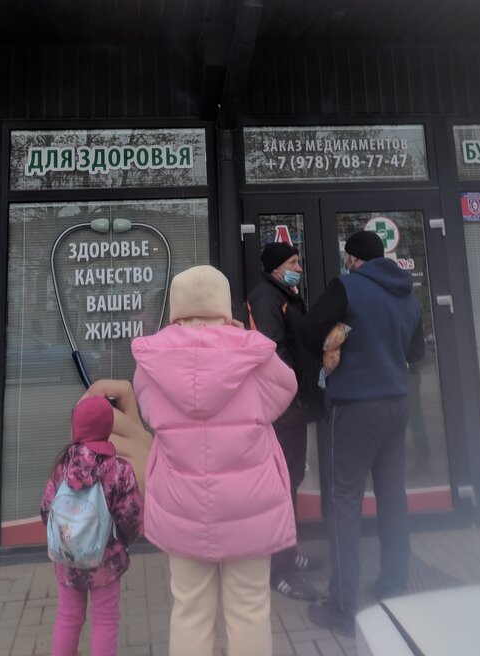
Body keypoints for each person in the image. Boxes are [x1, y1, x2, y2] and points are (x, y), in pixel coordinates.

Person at [132, 264, 297, 656]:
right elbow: (286, 390)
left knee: (190, 609)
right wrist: (236, 336)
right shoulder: (252, 351)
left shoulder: (153, 358)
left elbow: (150, 413)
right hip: (250, 503)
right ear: (224, 304)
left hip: (182, 503)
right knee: (250, 607)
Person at [302, 230, 425, 638]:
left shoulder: (347, 287)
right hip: (397, 402)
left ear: (353, 258)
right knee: (392, 495)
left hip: (356, 405)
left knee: (344, 501)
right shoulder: (406, 292)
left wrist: (333, 345)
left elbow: (308, 329)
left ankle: (341, 609)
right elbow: (416, 352)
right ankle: (393, 586)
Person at [246, 242, 323, 601]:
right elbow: (272, 350)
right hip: (282, 408)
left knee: (291, 480)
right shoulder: (266, 298)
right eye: (293, 262)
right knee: (281, 486)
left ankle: (288, 554)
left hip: (294, 405)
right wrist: (295, 389)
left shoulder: (284, 295)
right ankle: (280, 571)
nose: (299, 268)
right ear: (276, 267)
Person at [40, 395, 143, 656]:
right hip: (105, 562)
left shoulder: (62, 467)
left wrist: (66, 538)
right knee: (105, 619)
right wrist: (125, 542)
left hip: (67, 557)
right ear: (108, 428)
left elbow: (46, 508)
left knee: (68, 616)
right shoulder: (120, 470)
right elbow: (130, 517)